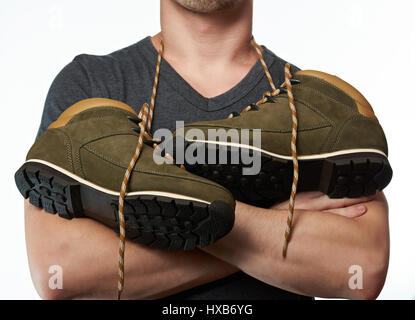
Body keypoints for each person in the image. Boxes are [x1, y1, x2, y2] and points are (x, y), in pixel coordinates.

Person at [25, 0, 389, 299]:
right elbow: (63, 270)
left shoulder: (312, 107)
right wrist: (271, 220)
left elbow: (358, 267)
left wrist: (162, 223)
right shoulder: (91, 86)